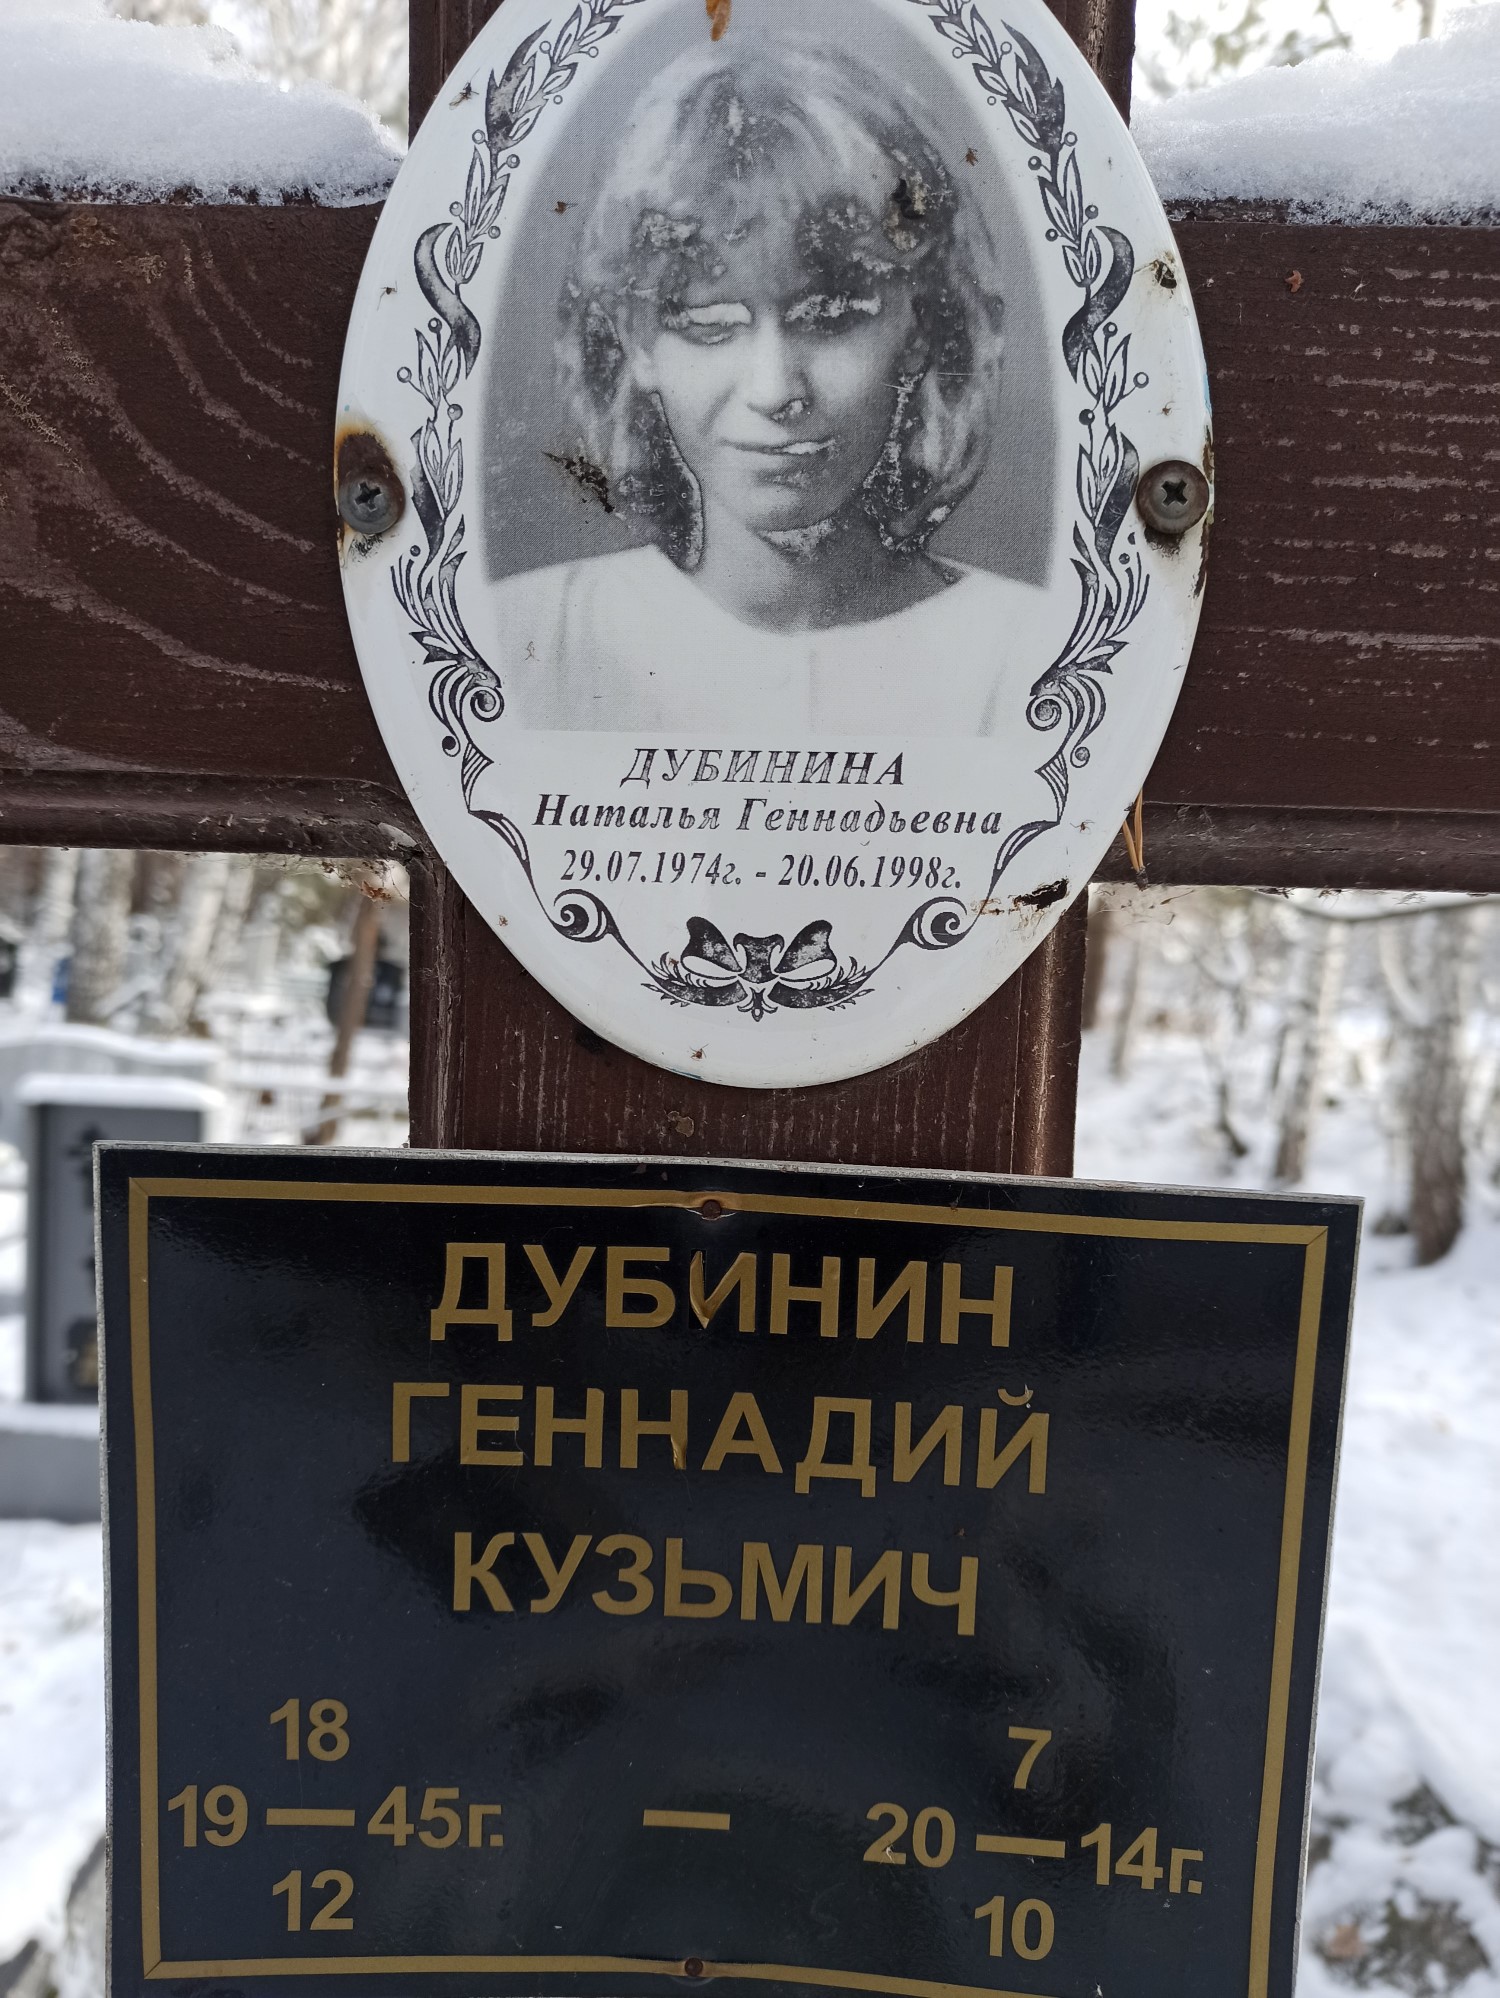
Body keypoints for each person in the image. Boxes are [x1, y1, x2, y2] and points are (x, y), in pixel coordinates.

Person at [490, 38, 1055, 735]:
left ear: (917, 326)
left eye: (830, 315)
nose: (774, 389)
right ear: (638, 343)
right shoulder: (525, 645)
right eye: (709, 323)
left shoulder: (1033, 660)